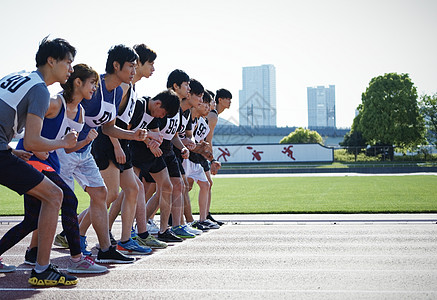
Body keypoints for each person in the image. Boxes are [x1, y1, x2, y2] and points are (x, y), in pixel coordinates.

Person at [56, 45, 160, 263]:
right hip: (69, 148)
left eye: (135, 66)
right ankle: (50, 248)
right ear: (116, 65)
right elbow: (65, 105)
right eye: (131, 65)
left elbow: (108, 126)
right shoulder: (96, 87)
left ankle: (105, 246)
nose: (134, 70)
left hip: (86, 147)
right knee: (56, 201)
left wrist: (133, 135)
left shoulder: (121, 91)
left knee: (114, 191)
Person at [0, 64, 107, 275]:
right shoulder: (54, 103)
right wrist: (32, 147)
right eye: (92, 83)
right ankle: (76, 258)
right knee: (69, 200)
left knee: (31, 220)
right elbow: (30, 135)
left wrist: (84, 140)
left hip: (51, 164)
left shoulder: (80, 113)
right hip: (32, 160)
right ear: (78, 82)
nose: (95, 88)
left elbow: (68, 147)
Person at [0, 37, 79, 286]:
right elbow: (33, 142)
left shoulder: (19, 77)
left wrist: (10, 151)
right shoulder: (40, 90)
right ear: (51, 61)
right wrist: (64, 143)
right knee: (55, 195)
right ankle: (42, 269)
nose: (71, 68)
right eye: (68, 62)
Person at [130, 89, 183, 243]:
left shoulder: (153, 113)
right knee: (127, 192)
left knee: (167, 186)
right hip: (134, 150)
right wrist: (148, 140)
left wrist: (154, 142)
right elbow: (128, 130)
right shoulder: (139, 105)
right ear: (158, 104)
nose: (162, 117)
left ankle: (164, 229)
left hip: (153, 152)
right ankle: (126, 232)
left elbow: (156, 133)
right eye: (163, 113)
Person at [204, 88, 232, 226]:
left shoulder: (213, 115)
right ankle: (204, 217)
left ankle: (205, 216)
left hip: (198, 151)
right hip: (197, 151)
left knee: (200, 184)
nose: (230, 102)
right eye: (228, 99)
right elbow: (208, 139)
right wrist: (212, 159)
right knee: (204, 184)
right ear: (219, 99)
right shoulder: (213, 116)